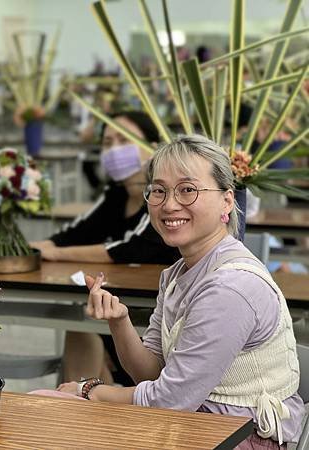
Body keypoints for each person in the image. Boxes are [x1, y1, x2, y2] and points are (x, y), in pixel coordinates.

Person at [36, 134, 303, 448]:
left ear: (227, 201)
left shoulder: (230, 288)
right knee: (45, 410)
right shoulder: (176, 274)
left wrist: (89, 390)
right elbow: (150, 376)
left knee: (54, 417)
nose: (169, 204)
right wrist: (119, 321)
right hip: (191, 421)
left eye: (187, 190)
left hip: (239, 436)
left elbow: (168, 400)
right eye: (159, 191)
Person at [31, 111, 180, 385]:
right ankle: (82, 413)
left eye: (124, 139)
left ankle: (84, 406)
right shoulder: (116, 194)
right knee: (80, 324)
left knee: (86, 324)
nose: (114, 149)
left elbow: (129, 249)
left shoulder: (162, 198)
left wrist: (56, 253)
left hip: (156, 322)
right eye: (108, 142)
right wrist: (36, 248)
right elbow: (75, 233)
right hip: (115, 308)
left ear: (153, 146)